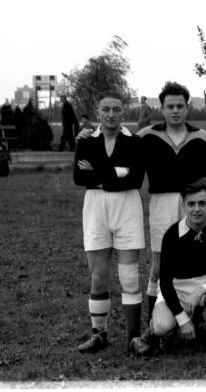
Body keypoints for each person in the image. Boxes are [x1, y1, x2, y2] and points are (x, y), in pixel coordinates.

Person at [136, 82, 206, 328]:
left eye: (180, 105)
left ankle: (195, 314)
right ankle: (150, 325)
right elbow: (120, 142)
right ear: (162, 108)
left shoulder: (201, 137)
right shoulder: (147, 135)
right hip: (162, 202)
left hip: (193, 204)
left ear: (187, 107)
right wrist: (86, 134)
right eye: (170, 106)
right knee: (158, 266)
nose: (176, 110)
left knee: (195, 257)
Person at [129, 182, 206, 357]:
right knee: (162, 326)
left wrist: (202, 290)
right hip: (176, 288)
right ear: (183, 206)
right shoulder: (172, 235)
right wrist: (182, 320)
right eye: (191, 204)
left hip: (204, 283)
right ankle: (149, 335)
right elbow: (165, 283)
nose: (197, 209)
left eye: (202, 203)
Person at [73, 93, 145, 354]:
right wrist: (116, 173)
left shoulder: (135, 142)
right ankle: (99, 334)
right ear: (98, 112)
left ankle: (133, 338)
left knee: (129, 277)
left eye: (116, 109)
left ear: (123, 112)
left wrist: (99, 175)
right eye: (106, 109)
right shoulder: (86, 141)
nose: (111, 114)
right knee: (99, 277)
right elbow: (80, 177)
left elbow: (136, 179)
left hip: (127, 207)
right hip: (95, 209)